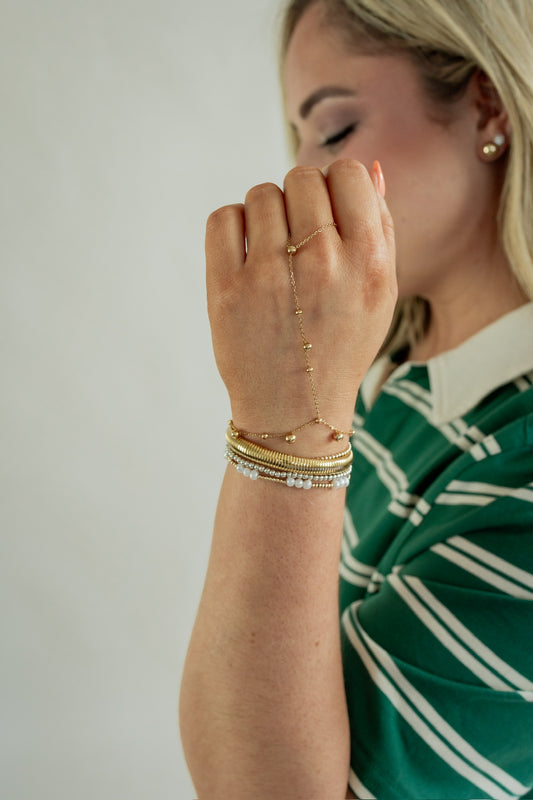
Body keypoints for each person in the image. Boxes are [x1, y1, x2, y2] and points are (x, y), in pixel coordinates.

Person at [179, 0, 533, 797]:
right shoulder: (396, 360)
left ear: (486, 106)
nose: (300, 176)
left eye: (334, 130)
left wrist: (282, 418)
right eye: (297, 138)